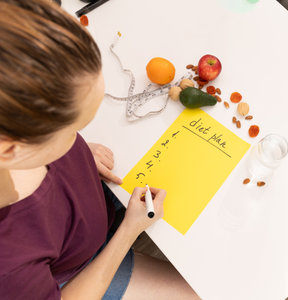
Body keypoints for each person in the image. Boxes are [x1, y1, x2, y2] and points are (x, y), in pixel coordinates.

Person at [0, 1, 199, 299]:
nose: (77, 138)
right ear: (13, 149)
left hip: (90, 214)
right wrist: (128, 232)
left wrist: (74, 156)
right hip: (79, 272)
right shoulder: (8, 266)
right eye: (71, 130)